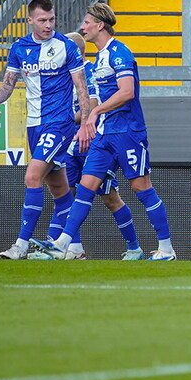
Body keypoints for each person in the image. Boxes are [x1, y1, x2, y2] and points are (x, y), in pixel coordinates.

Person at [37, 3, 176, 261]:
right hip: (105, 134)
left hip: (128, 131)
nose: (83, 27)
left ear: (100, 25)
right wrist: (91, 120)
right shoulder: (100, 57)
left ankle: (166, 248)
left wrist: (97, 112)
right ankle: (64, 243)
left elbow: (127, 92)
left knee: (141, 188)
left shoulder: (119, 52)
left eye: (87, 23)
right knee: (85, 187)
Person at [0, 0, 91, 260]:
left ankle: (20, 245)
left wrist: (86, 123)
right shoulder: (19, 48)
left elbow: (82, 87)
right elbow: (9, 83)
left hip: (59, 123)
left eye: (52, 19)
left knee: (32, 177)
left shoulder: (66, 46)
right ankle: (76, 248)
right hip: (34, 125)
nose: (48, 25)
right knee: (59, 189)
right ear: (30, 20)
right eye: (42, 20)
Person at [29, 32, 143, 260]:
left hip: (94, 142)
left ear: (76, 50)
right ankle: (65, 248)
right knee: (64, 195)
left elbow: (91, 106)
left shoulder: (91, 71)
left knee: (110, 198)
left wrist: (67, 119)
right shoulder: (63, 75)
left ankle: (134, 247)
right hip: (70, 144)